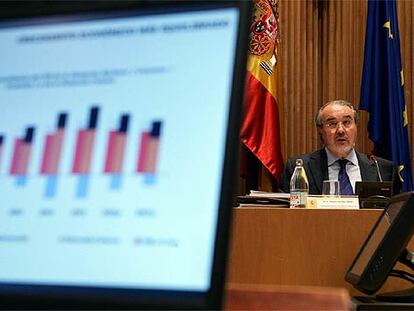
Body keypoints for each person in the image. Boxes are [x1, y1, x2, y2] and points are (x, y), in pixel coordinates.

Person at [279, 100, 400, 195]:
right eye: (332, 124)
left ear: (356, 127)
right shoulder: (299, 168)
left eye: (347, 122)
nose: (341, 130)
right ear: (320, 130)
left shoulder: (383, 170)